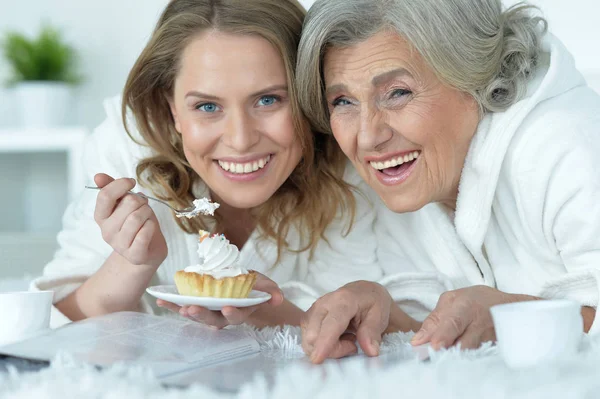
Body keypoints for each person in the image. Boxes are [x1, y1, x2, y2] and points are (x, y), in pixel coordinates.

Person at [30, 0, 388, 329]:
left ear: (308, 95)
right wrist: (133, 264)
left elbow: (355, 330)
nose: (240, 139)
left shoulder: (346, 165)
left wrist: (260, 308)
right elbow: (45, 329)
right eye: (207, 107)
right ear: (172, 109)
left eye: (268, 100)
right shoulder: (125, 151)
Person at [296, 0, 600, 363]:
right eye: (343, 101)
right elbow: (449, 342)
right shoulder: (398, 186)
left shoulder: (570, 145)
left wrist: (509, 317)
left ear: (476, 76)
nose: (365, 138)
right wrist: (388, 314)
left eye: (398, 93)